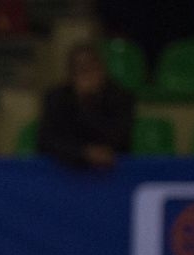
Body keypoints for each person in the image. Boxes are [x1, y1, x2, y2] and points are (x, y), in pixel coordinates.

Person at [36, 41, 135, 169]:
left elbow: (120, 139)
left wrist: (90, 104)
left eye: (92, 68)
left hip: (111, 174)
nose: (88, 75)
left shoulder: (121, 97)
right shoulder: (57, 98)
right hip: (66, 172)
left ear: (102, 69)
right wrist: (83, 153)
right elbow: (46, 141)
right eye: (81, 70)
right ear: (70, 75)